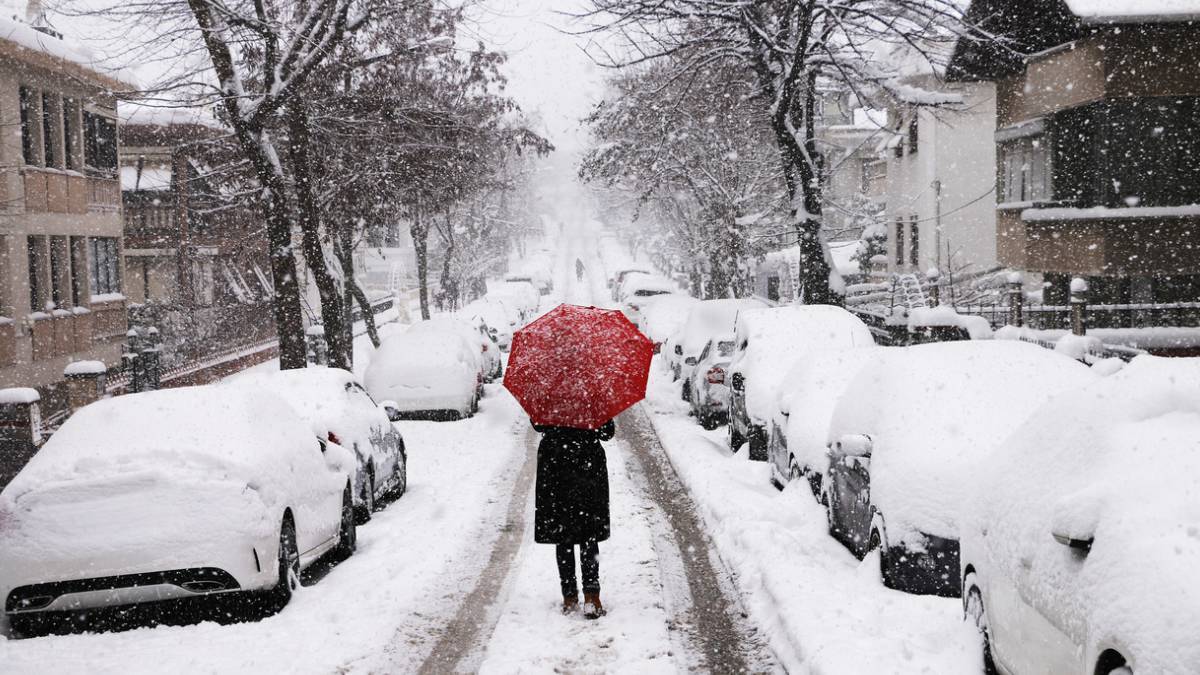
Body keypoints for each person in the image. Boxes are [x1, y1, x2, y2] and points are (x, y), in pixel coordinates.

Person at [532, 418, 616, 619]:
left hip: (556, 466)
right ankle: (591, 596)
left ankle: (569, 597)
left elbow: (538, 424)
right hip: (587, 466)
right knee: (588, 534)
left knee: (564, 535)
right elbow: (607, 432)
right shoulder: (593, 395)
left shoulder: (550, 393)